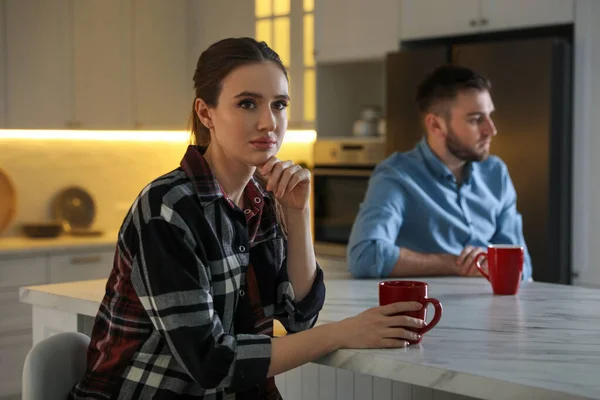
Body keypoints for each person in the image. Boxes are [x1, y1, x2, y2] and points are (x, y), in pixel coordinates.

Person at [69, 37, 426, 400]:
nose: (268, 122)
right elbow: (212, 362)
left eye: (279, 104)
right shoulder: (166, 209)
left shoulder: (264, 200)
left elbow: (299, 318)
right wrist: (344, 332)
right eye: (247, 104)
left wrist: (298, 214)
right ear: (206, 113)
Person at [347, 64, 532, 281]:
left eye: (489, 116)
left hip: (493, 308)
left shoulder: (496, 173)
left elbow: (523, 267)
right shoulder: (396, 176)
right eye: (475, 119)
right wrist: (455, 263)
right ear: (436, 125)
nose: (491, 130)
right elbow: (365, 256)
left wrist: (490, 263)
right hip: (425, 309)